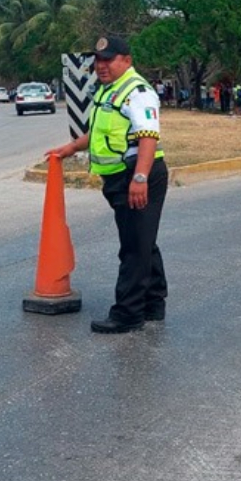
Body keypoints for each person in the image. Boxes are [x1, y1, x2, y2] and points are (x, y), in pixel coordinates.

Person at [46, 35, 168, 334]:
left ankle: (128, 313)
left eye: (108, 60)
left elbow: (148, 137)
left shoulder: (137, 91)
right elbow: (98, 133)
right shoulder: (109, 91)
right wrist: (71, 148)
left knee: (133, 248)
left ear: (126, 59)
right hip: (121, 177)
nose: (101, 66)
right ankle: (153, 304)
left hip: (136, 175)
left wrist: (139, 178)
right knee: (142, 242)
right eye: (98, 61)